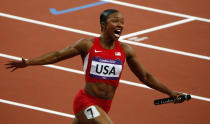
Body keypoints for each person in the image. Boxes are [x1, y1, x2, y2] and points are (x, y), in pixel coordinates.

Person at [5, 9, 184, 124]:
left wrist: (170, 92)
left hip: (105, 106)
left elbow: (145, 76)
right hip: (86, 103)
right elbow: (57, 56)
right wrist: (28, 62)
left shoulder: (126, 51)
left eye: (122, 22)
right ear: (103, 25)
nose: (120, 25)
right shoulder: (87, 45)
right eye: (115, 21)